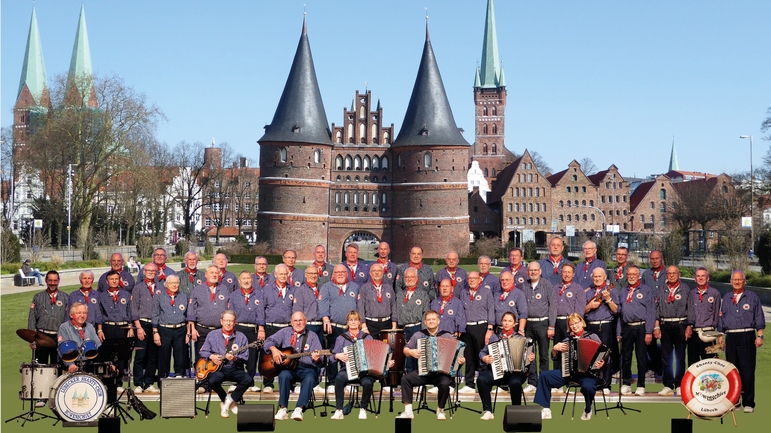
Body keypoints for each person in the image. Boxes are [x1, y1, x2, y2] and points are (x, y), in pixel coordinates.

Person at [534, 313, 606, 421]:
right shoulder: (567, 340)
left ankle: (587, 409)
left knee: (588, 386)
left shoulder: (592, 336)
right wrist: (554, 349)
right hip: (570, 373)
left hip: (588, 375)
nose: (574, 326)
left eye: (576, 323)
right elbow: (555, 358)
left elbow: (604, 354)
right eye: (571, 324)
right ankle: (546, 409)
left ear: (582, 323)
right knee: (544, 376)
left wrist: (603, 362)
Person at [397, 310, 466, 420]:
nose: (431, 321)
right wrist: (411, 352)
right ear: (425, 322)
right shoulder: (418, 335)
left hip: (441, 373)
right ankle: (408, 410)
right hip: (423, 371)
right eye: (428, 320)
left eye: (433, 319)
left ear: (438, 321)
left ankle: (440, 410)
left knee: (445, 383)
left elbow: (456, 354)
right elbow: (405, 349)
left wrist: (461, 360)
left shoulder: (446, 335)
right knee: (405, 379)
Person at [330, 310, 393, 420]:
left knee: (368, 382)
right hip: (347, 370)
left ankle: (363, 409)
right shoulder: (341, 338)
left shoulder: (367, 337)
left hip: (366, 372)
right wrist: (337, 356)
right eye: (350, 320)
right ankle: (339, 410)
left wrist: (387, 363)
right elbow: (332, 357)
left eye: (356, 320)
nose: (353, 322)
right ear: (347, 322)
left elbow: (376, 355)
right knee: (339, 378)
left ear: (360, 322)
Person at [718, 271, 764, 413]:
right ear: (731, 281)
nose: (737, 282)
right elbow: (721, 318)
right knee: (732, 370)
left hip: (747, 336)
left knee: (747, 370)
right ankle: (735, 400)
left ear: (744, 281)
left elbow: (759, 317)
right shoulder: (726, 297)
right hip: (730, 337)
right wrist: (720, 336)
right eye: (734, 280)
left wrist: (760, 336)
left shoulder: (752, 297)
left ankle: (748, 402)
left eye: (740, 279)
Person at [266, 312, 324, 421]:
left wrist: (317, 359)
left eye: (300, 320)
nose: (298, 323)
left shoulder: (312, 336)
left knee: (310, 378)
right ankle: (283, 409)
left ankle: (299, 409)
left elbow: (320, 361)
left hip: (307, 369)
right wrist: (274, 350)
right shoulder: (284, 332)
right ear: (291, 322)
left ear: (305, 321)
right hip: (289, 369)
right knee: (283, 375)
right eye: (295, 321)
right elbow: (268, 342)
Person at [478, 312, 536, 420]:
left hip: (516, 373)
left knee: (515, 383)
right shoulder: (494, 337)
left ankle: (516, 413)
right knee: (481, 379)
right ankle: (488, 411)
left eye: (510, 321)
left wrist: (531, 358)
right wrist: (484, 358)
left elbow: (530, 359)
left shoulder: (521, 339)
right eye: (505, 320)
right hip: (498, 371)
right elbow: (482, 352)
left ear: (515, 324)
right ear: (501, 322)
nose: (507, 323)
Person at [58, 303, 118, 405]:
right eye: (79, 313)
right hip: (72, 362)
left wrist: (109, 363)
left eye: (84, 313)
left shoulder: (90, 327)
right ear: (71, 315)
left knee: (110, 373)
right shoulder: (64, 327)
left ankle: (108, 406)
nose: (82, 315)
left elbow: (98, 347)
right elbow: (63, 349)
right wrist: (70, 364)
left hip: (89, 361)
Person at [200, 310, 253, 418]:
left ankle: (228, 401)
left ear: (235, 322)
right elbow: (203, 351)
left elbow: (245, 358)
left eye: (231, 321)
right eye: (226, 320)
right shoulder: (212, 335)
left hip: (235, 368)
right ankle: (228, 400)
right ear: (221, 321)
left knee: (248, 379)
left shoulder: (241, 337)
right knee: (212, 380)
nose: (228, 323)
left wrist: (235, 358)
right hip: (218, 370)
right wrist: (212, 356)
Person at [653, 266, 693, 396]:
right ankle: (668, 384)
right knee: (666, 357)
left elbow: (690, 308)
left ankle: (680, 384)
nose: (671, 275)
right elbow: (657, 309)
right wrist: (656, 326)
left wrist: (689, 326)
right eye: (669, 273)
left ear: (678, 274)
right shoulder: (661, 289)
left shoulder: (685, 289)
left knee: (680, 356)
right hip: (665, 325)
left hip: (681, 324)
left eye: (674, 273)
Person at [320, 264, 361, 388]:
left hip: (351, 327)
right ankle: (332, 381)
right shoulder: (326, 287)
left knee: (351, 354)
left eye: (343, 272)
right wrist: (326, 319)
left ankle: (350, 379)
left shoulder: (354, 287)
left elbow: (359, 306)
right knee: (333, 353)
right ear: (333, 274)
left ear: (347, 273)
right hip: (334, 326)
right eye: (337, 272)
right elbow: (323, 304)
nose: (340, 274)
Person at [617, 265, 654, 396]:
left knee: (641, 357)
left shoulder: (646, 290)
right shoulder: (623, 291)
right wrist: (618, 331)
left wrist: (649, 331)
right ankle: (626, 383)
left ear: (639, 275)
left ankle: (641, 385)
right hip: (627, 327)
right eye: (629, 274)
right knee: (626, 357)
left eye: (634, 274)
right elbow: (620, 313)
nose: (631, 276)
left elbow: (650, 312)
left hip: (641, 327)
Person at [259, 263, 296, 393]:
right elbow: (260, 310)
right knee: (269, 355)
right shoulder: (266, 290)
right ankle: (268, 383)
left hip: (287, 328)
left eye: (285, 274)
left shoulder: (293, 290)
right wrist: (261, 328)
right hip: (271, 327)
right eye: (281, 274)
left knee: (287, 356)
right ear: (275, 275)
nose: (283, 276)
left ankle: (288, 383)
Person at [458, 271, 495, 394]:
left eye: (474, 278)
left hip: (481, 326)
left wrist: (490, 328)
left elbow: (491, 310)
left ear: (480, 280)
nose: (472, 280)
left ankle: (484, 383)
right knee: (469, 356)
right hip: (467, 327)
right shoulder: (463, 292)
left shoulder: (486, 292)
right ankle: (469, 383)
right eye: (469, 278)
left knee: (482, 356)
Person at [521, 262, 556, 393]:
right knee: (530, 354)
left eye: (536, 270)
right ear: (528, 272)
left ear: (540, 271)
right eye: (531, 270)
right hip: (528, 324)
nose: (533, 272)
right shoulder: (523, 285)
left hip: (543, 323)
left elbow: (553, 306)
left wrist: (551, 325)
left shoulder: (547, 285)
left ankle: (544, 382)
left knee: (544, 354)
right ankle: (532, 382)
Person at [583, 268, 618, 392]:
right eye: (595, 277)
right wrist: (589, 306)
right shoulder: (588, 292)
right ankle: (592, 382)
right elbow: (582, 311)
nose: (597, 279)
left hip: (605, 325)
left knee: (605, 355)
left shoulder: (611, 291)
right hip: (591, 325)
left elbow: (616, 310)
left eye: (599, 276)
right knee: (591, 356)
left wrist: (608, 299)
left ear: (604, 277)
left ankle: (606, 384)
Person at [227, 271, 262, 392]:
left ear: (252, 280)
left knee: (252, 357)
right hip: (238, 328)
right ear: (239, 280)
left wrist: (261, 327)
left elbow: (261, 312)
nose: (246, 281)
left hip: (253, 329)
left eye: (248, 278)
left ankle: (250, 382)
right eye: (243, 278)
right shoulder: (234, 295)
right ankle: (238, 381)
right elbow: (230, 312)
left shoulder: (259, 294)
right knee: (238, 356)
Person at [97, 270, 134, 381]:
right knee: (108, 354)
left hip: (123, 327)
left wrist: (130, 327)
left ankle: (119, 381)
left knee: (122, 355)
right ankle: (109, 380)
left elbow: (130, 312)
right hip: (108, 326)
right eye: (111, 279)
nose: (114, 281)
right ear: (107, 281)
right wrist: (99, 329)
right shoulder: (101, 296)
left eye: (116, 279)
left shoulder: (126, 294)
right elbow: (99, 313)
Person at [131, 263, 163, 393]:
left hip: (156, 325)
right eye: (148, 270)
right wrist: (138, 327)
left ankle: (149, 382)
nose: (150, 272)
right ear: (144, 272)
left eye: (153, 270)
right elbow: (134, 309)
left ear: (157, 273)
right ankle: (138, 382)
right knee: (140, 355)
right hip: (142, 324)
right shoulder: (138, 288)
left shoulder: (161, 287)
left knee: (153, 356)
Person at [188, 265, 229, 364]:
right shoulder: (198, 289)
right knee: (201, 357)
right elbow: (191, 309)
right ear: (206, 275)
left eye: (216, 273)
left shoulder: (224, 288)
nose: (214, 275)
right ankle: (200, 378)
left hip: (219, 330)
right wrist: (192, 328)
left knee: (218, 358)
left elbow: (228, 308)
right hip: (202, 330)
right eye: (212, 272)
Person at [152, 274, 189, 380]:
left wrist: (188, 332)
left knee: (180, 355)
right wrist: (155, 332)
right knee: (164, 355)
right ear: (166, 284)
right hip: (164, 329)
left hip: (180, 329)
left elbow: (188, 315)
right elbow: (155, 314)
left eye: (176, 283)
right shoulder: (159, 297)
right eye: (172, 283)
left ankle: (179, 376)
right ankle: (163, 378)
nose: (174, 285)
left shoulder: (183, 296)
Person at [28, 271, 69, 364]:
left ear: (58, 281)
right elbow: (32, 317)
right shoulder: (38, 297)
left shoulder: (65, 297)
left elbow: (68, 318)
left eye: (55, 280)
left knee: (58, 366)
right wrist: (31, 338)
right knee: (41, 367)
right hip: (41, 336)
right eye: (50, 280)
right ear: (46, 280)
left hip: (59, 337)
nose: (52, 283)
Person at [395, 267, 430, 373]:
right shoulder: (399, 295)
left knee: (417, 355)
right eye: (407, 277)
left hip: (417, 327)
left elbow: (425, 312)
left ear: (417, 278)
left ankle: (418, 379)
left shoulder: (423, 294)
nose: (409, 279)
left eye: (412, 277)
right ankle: (407, 379)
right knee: (405, 355)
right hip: (404, 329)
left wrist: (424, 331)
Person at [688, 267, 721, 365]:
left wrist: (718, 335)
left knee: (709, 363)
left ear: (708, 278)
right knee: (693, 364)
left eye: (703, 276)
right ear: (695, 278)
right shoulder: (690, 294)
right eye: (698, 276)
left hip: (708, 333)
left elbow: (717, 315)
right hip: (694, 333)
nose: (700, 278)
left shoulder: (715, 293)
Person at [641, 250, 666, 377]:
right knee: (649, 343)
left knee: (665, 343)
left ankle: (665, 368)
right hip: (650, 312)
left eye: (657, 258)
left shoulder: (668, 273)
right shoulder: (646, 274)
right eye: (652, 259)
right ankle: (654, 367)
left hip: (665, 312)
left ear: (661, 258)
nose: (654, 261)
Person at [357, 263, 397, 338]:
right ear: (370, 273)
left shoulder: (388, 287)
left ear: (382, 273)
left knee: (386, 348)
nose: (377, 273)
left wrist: (394, 325)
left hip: (386, 324)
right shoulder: (364, 288)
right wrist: (364, 326)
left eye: (379, 271)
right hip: (370, 325)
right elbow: (361, 307)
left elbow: (393, 306)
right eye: (374, 271)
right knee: (372, 348)